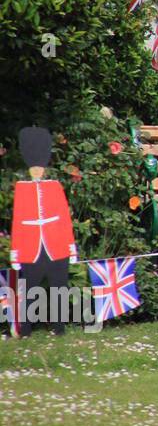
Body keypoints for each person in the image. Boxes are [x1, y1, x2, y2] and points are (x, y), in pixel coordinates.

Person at [9, 127, 78, 335]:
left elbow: (64, 218)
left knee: (59, 287)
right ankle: (26, 328)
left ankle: (59, 327)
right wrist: (16, 251)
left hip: (55, 243)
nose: (37, 171)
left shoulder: (54, 186)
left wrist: (70, 246)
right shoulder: (22, 188)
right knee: (30, 288)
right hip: (31, 245)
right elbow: (18, 221)